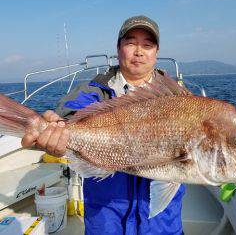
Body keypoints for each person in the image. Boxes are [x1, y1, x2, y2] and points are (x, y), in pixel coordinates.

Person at [22, 15, 185, 235]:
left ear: (156, 53)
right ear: (118, 48)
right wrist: (53, 129)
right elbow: (68, 114)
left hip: (161, 224)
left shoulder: (178, 97)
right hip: (106, 220)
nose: (139, 51)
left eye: (147, 45)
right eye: (130, 43)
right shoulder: (95, 90)